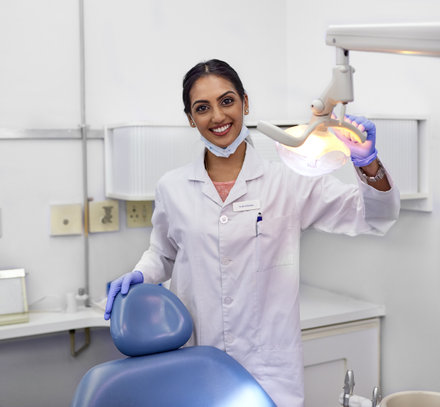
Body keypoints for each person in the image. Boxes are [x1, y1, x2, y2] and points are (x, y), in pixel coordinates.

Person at [104, 59, 400, 406]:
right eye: (202, 108)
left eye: (226, 101)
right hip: (196, 363)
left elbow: (373, 216)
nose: (217, 116)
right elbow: (164, 253)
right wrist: (141, 273)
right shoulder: (173, 186)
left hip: (269, 369)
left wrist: (368, 163)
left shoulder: (287, 180)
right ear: (190, 118)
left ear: (245, 103)